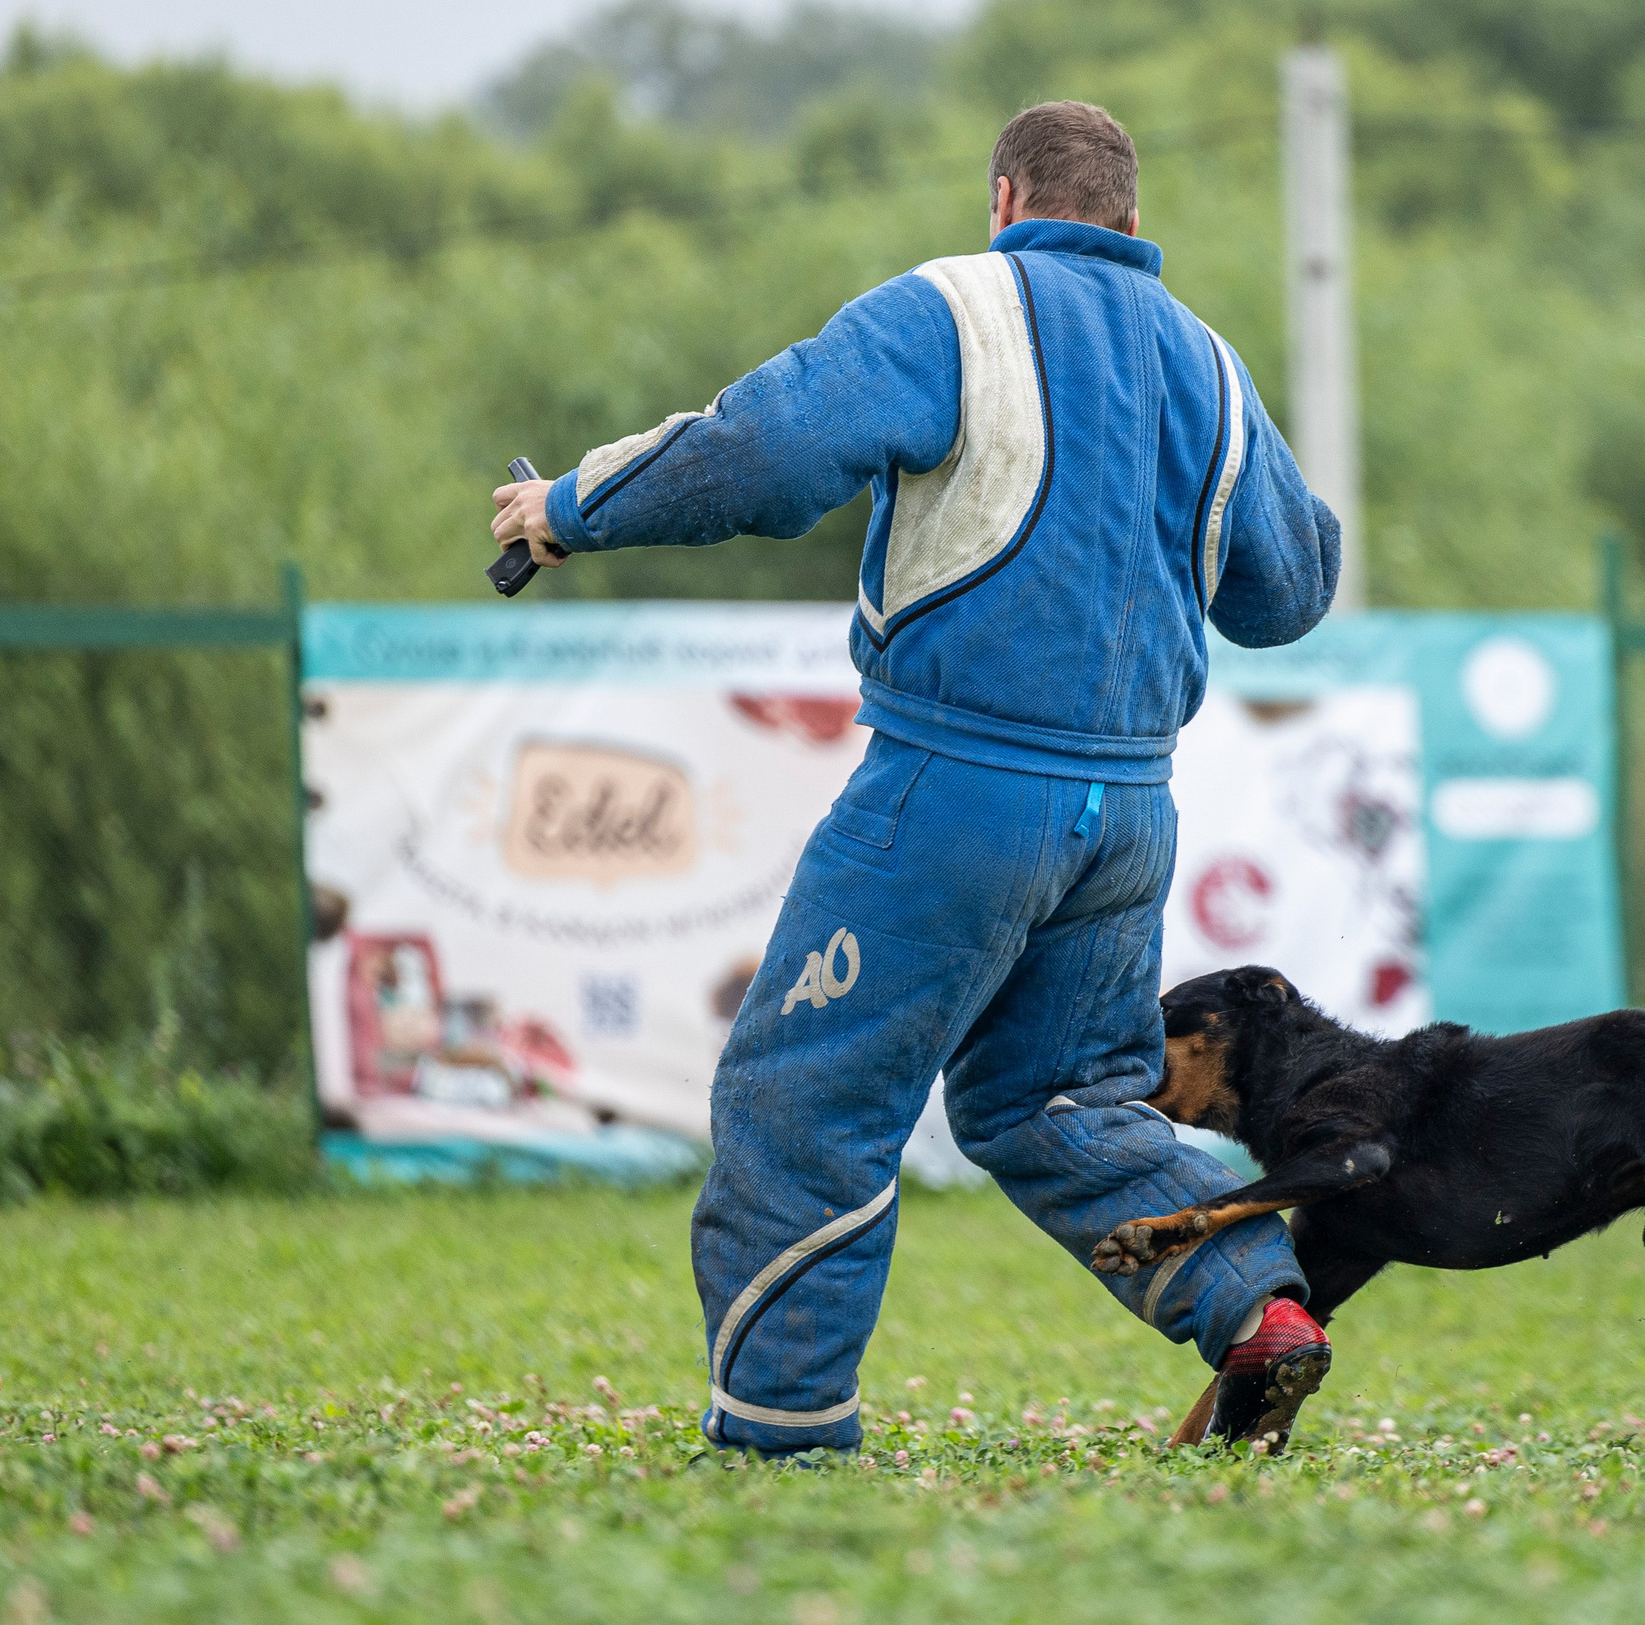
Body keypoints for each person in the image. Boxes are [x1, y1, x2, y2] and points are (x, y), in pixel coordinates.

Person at [489, 100, 1343, 1460]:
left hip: (955, 789)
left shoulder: (953, 309)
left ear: (1004, 198)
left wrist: (573, 507)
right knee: (1057, 1104)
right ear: (1132, 219)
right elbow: (1290, 588)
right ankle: (1258, 1305)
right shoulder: (1212, 363)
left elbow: (761, 450)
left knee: (806, 1098)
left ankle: (781, 1425)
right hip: (1127, 817)